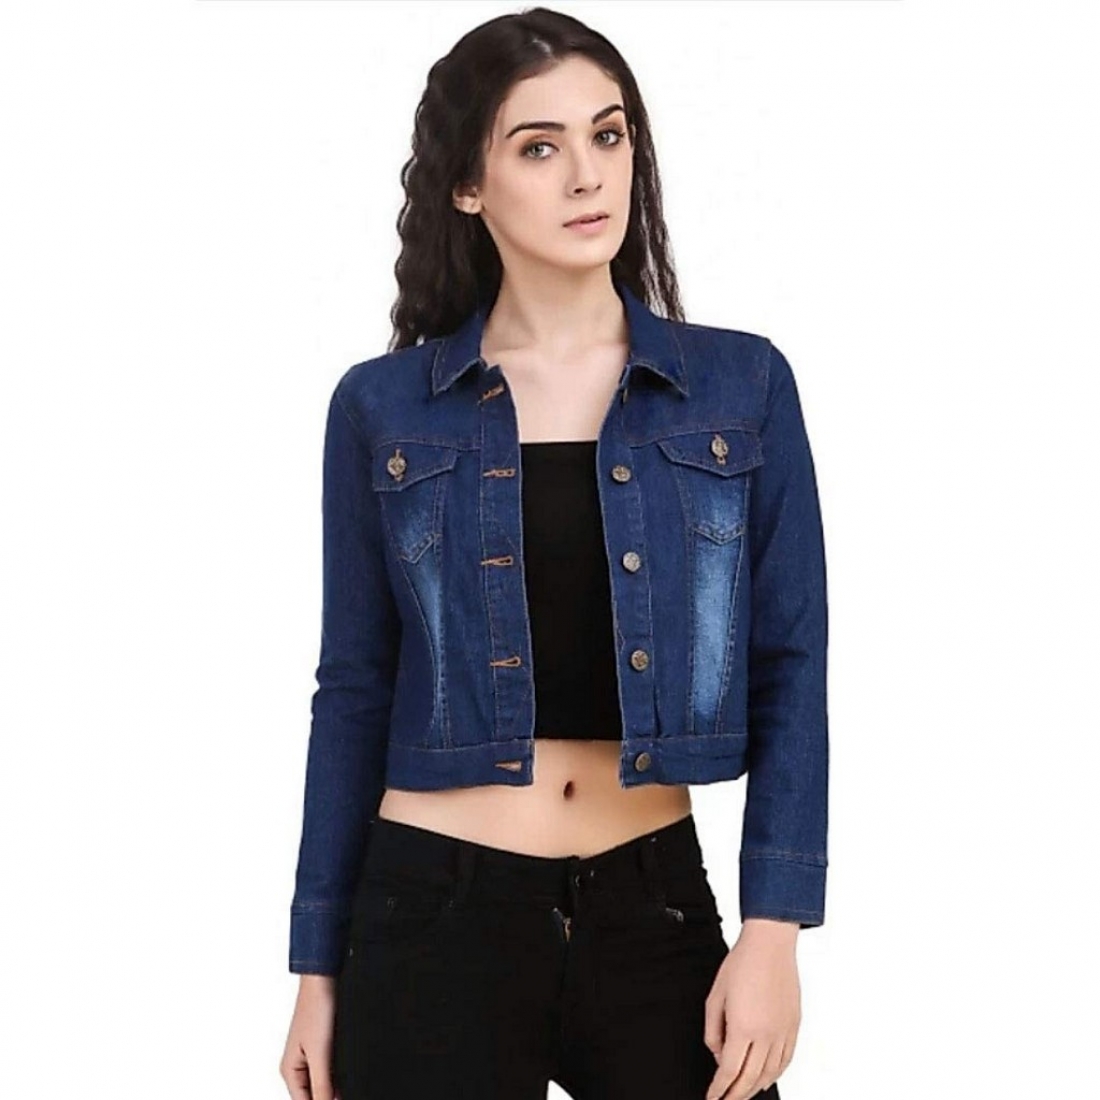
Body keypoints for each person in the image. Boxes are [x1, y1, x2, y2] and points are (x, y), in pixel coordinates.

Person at [279, 8, 828, 1100]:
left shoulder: (739, 385)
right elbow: (354, 688)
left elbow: (791, 662)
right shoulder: (383, 408)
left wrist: (773, 931)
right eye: (539, 147)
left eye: (607, 134)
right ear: (465, 185)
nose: (587, 173)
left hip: (652, 904)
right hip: (429, 916)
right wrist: (316, 967)